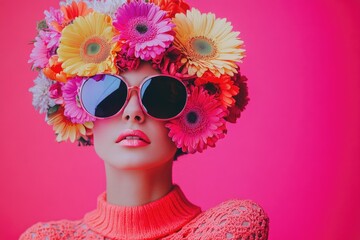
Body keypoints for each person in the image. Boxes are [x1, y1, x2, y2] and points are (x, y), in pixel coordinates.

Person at [22, 0, 269, 239]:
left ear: (191, 117)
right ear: (79, 114)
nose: (133, 112)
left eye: (159, 95)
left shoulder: (230, 228)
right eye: (107, 94)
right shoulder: (47, 237)